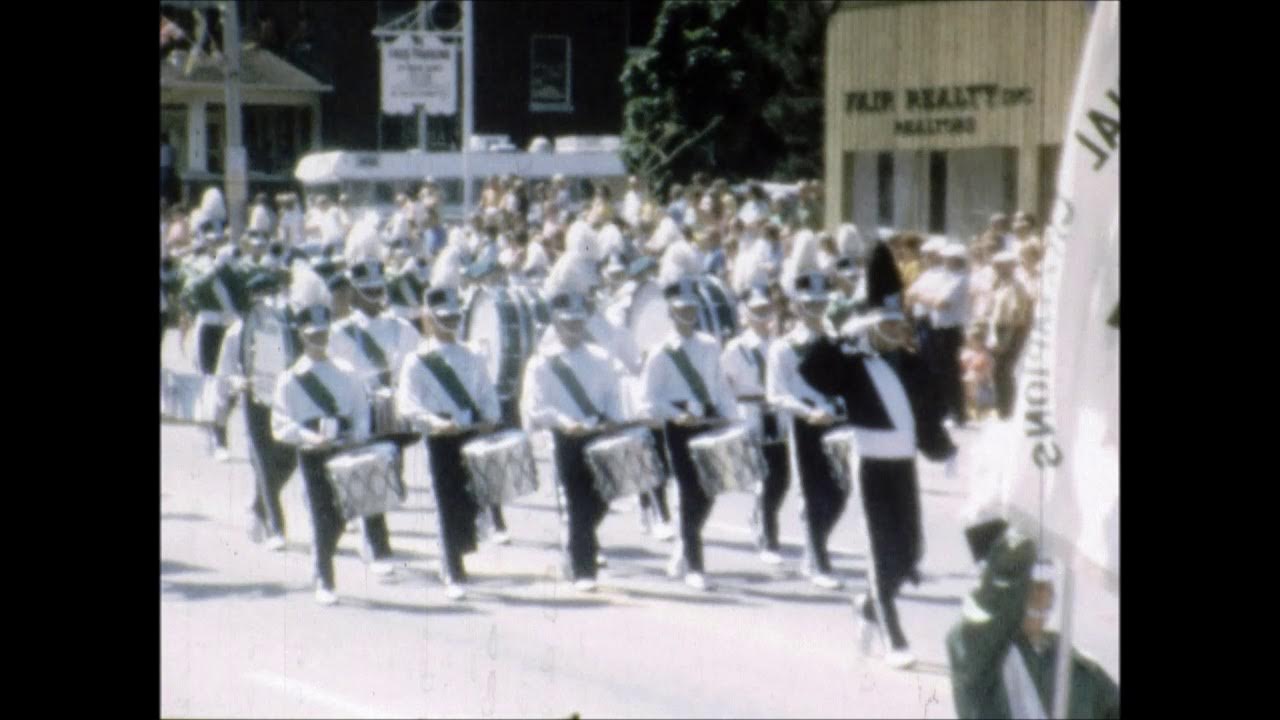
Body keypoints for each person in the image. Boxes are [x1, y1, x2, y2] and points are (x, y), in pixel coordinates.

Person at [270, 261, 371, 606]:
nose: (319, 340)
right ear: (301, 335)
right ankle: (325, 578)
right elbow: (281, 423)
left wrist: (355, 435)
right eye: (312, 335)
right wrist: (308, 437)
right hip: (312, 451)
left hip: (341, 448)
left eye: (323, 334)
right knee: (320, 513)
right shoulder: (290, 379)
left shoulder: (345, 371)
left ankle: (321, 558)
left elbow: (360, 411)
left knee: (342, 516)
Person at [396, 284, 502, 600]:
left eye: (455, 316)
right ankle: (451, 567)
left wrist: (489, 417)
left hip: (469, 432)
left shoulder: (472, 354)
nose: (451, 322)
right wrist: (434, 422)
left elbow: (486, 394)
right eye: (444, 317)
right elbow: (408, 404)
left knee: (468, 500)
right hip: (441, 437)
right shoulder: (418, 360)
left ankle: (456, 555)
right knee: (446, 500)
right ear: (429, 319)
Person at [328, 222, 423, 575]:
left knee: (386, 478)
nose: (374, 296)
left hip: (391, 414)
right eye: (366, 290)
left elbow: (415, 372)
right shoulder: (340, 333)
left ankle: (351, 531)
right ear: (353, 292)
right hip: (358, 412)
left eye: (378, 288)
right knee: (370, 473)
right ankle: (377, 546)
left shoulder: (404, 328)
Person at [947, 527, 1120, 719]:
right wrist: (1020, 540)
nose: (1042, 595)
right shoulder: (978, 652)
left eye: (1046, 586)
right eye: (1031, 586)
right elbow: (992, 610)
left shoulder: (1070, 663)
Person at [521, 286, 628, 592]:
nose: (574, 329)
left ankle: (574, 546)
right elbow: (536, 408)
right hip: (566, 438)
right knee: (579, 503)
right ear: (555, 324)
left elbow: (611, 396)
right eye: (567, 323)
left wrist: (612, 421)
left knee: (604, 498)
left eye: (579, 322)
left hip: (597, 435)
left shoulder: (601, 357)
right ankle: (585, 569)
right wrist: (563, 422)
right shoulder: (542, 362)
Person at [640, 278, 741, 592]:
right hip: (680, 428)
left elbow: (719, 385)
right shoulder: (660, 353)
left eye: (693, 309)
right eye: (682, 309)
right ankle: (695, 566)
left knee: (709, 492)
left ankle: (683, 545)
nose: (689, 314)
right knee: (688, 493)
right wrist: (675, 414)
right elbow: (648, 402)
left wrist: (729, 416)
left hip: (708, 422)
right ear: (671, 312)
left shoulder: (710, 345)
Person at [765, 264, 847, 591]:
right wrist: (806, 411)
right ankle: (818, 562)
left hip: (837, 422)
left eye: (822, 303)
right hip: (806, 426)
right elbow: (776, 394)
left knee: (841, 492)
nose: (817, 309)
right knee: (814, 494)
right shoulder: (783, 347)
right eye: (810, 304)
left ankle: (814, 551)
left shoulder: (836, 342)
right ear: (797, 306)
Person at [215, 270, 298, 551]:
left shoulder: (285, 327)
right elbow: (224, 373)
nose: (266, 300)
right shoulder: (237, 331)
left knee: (288, 459)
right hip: (253, 399)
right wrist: (239, 383)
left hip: (282, 398)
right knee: (263, 459)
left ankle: (258, 509)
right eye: (260, 294)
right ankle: (277, 528)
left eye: (270, 293)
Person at [722, 283, 790, 565]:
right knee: (764, 478)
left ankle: (761, 516)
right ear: (746, 315)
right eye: (757, 311)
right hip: (750, 412)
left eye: (767, 310)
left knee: (782, 478)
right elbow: (724, 383)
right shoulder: (737, 348)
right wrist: (730, 418)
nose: (763, 316)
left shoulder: (780, 345)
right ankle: (768, 539)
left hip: (777, 413)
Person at [984, 251, 1033, 419]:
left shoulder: (1015, 287)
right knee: (997, 370)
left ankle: (1006, 409)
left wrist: (1006, 339)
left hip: (1009, 330)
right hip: (998, 328)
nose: (998, 270)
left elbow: (1015, 315)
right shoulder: (1000, 285)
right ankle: (1001, 407)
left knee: (1003, 370)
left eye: (1001, 266)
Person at [960, 326, 996, 422]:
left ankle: (975, 408)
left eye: (975, 340)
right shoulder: (966, 353)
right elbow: (963, 367)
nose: (972, 343)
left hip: (982, 381)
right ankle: (968, 407)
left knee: (971, 379)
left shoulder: (985, 354)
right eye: (971, 340)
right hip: (969, 379)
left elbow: (987, 369)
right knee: (967, 380)